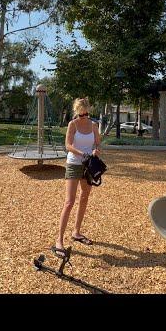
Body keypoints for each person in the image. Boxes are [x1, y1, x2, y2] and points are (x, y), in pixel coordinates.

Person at [52, 97, 102, 258]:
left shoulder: (94, 125)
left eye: (86, 113)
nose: (84, 117)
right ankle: (59, 240)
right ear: (76, 112)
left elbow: (97, 143)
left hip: (88, 166)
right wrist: (83, 154)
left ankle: (76, 232)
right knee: (69, 202)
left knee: (85, 197)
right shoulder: (72, 124)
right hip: (74, 163)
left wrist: (95, 151)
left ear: (88, 111)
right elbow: (68, 145)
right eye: (81, 114)